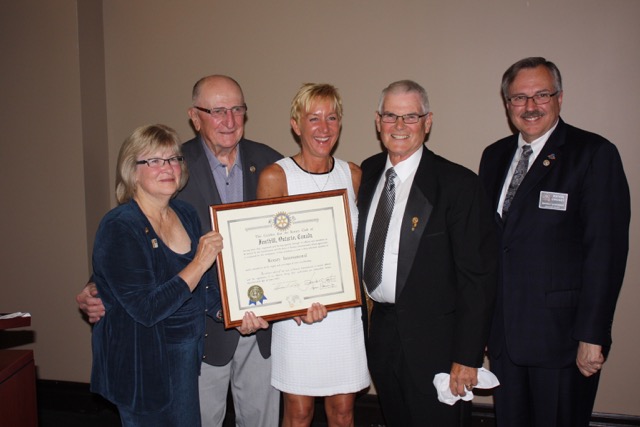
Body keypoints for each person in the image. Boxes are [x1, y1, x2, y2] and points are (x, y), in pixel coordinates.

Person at [78, 75, 283, 427]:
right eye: (217, 111)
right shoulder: (174, 167)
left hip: (251, 321)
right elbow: (127, 250)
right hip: (185, 343)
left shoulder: (271, 164)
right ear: (195, 116)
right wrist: (97, 286)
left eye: (237, 109)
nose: (229, 120)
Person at [478, 57, 630, 427]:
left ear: (559, 98)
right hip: (505, 339)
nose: (530, 106)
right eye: (519, 97)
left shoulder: (592, 154)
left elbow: (606, 253)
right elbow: (487, 247)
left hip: (562, 341)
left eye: (541, 95)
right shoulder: (494, 156)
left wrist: (592, 334)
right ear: (507, 104)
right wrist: (480, 326)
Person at [355, 80, 497, 426]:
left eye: (411, 117)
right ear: (377, 121)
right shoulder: (367, 173)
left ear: (427, 121)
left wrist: (467, 356)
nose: (399, 126)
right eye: (391, 116)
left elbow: (477, 279)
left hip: (439, 348)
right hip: (381, 335)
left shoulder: (458, 185)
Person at [90, 124, 223, 426]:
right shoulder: (120, 226)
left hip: (185, 356)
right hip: (142, 365)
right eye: (154, 160)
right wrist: (199, 262)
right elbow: (146, 308)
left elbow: (202, 287)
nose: (168, 167)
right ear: (132, 172)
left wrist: (229, 313)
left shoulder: (186, 213)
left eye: (173, 159)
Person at [257, 83, 370, 427]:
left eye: (332, 118)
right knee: (299, 413)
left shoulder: (353, 175)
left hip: (343, 314)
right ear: (296, 125)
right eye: (313, 118)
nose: (324, 127)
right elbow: (263, 253)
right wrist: (289, 303)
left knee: (343, 413)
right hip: (296, 317)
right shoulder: (276, 176)